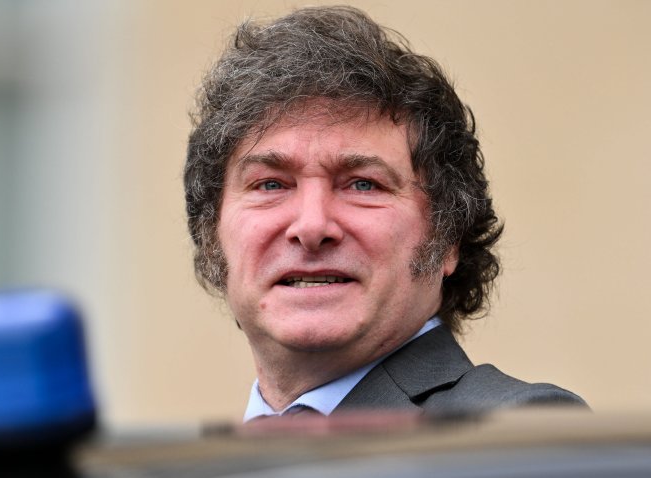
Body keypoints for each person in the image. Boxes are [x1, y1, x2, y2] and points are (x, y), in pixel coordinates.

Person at [184, 6, 585, 421]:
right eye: (271, 184)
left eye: (363, 184)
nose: (312, 226)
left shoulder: (514, 430)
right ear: (211, 235)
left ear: (446, 238)